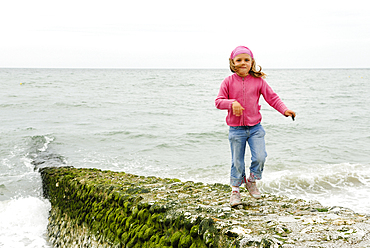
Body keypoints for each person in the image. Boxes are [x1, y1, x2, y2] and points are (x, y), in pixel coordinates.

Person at [215, 46, 295, 207]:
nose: (243, 63)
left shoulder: (259, 81)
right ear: (232, 63)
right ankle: (235, 191)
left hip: (255, 128)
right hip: (236, 129)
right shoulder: (228, 82)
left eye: (246, 60)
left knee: (260, 156)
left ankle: (252, 180)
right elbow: (218, 102)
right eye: (239, 60)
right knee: (237, 161)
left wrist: (284, 110)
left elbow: (272, 98)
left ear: (252, 62)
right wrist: (232, 103)